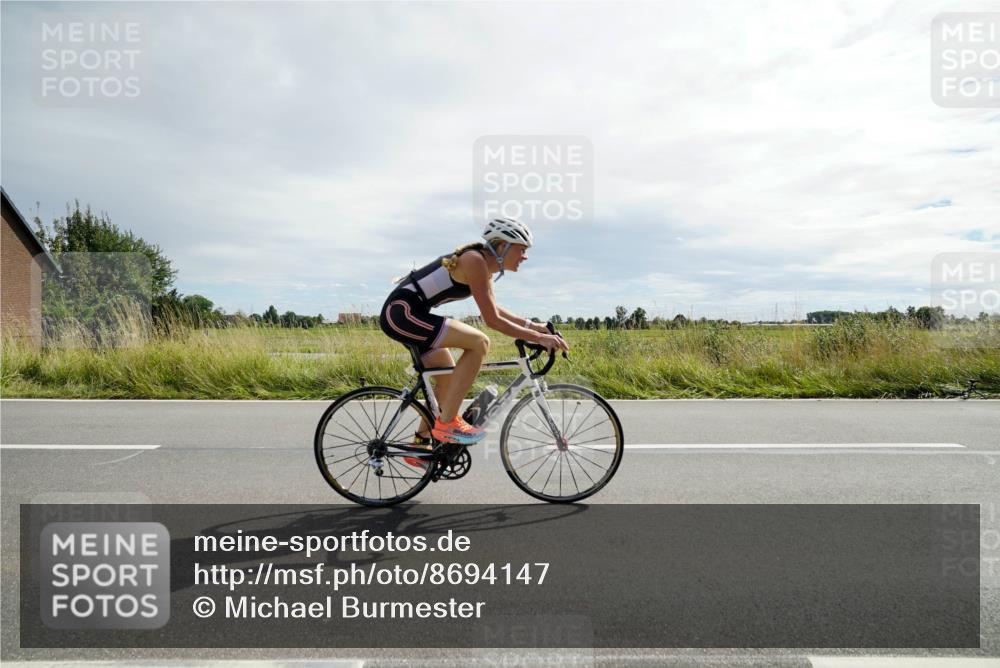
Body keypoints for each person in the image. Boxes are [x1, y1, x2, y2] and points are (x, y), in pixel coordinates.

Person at [379, 217, 569, 460]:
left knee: (446, 379)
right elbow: (492, 320)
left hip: (411, 315)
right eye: (521, 249)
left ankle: (420, 446)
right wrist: (537, 338)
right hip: (402, 313)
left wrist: (536, 327)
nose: (525, 256)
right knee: (480, 342)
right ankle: (447, 425)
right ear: (503, 247)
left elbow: (496, 310)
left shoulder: (483, 267)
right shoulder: (474, 260)